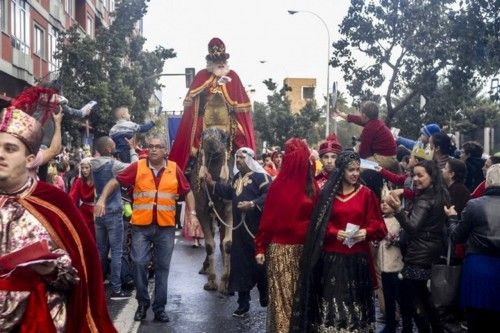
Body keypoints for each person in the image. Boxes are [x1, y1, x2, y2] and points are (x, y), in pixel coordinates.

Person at [0, 106, 116, 332]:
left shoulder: (53, 203)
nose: (0, 154)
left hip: (39, 322)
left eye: (10, 148)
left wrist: (49, 269)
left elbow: (80, 275)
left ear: (30, 159)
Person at [95, 136, 199, 323]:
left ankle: (159, 308)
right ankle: (143, 303)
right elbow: (114, 182)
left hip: (165, 227)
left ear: (165, 151)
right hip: (141, 227)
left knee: (162, 268)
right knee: (139, 263)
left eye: (158, 147)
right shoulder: (138, 167)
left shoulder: (174, 169)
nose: (153, 150)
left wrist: (192, 214)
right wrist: (102, 199)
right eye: (150, 146)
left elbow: (188, 191)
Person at [290, 151, 387, 332]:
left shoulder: (366, 194)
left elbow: (380, 227)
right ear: (341, 171)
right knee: (332, 306)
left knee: (354, 306)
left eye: (358, 170)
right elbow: (317, 225)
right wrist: (335, 232)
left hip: (357, 260)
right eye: (351, 170)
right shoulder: (327, 195)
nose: (355, 174)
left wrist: (365, 232)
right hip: (330, 260)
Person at [254, 138, 319, 332]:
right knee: (289, 301)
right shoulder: (310, 186)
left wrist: (260, 247)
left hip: (293, 251)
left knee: (286, 301)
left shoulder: (283, 186)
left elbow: (266, 222)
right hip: (293, 250)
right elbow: (268, 221)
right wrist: (260, 247)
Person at [169, 37, 256, 172]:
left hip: (227, 117)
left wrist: (233, 104)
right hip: (205, 116)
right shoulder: (201, 76)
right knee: (195, 131)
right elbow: (191, 100)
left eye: (223, 60)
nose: (221, 63)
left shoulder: (233, 76)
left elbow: (242, 104)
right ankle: (191, 163)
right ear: (210, 62)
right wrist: (193, 99)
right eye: (217, 61)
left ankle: (243, 163)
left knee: (240, 134)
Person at [204, 147, 271, 317]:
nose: (238, 160)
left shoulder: (262, 177)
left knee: (260, 265)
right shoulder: (236, 178)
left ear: (250, 159)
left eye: (241, 157)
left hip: (257, 231)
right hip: (239, 232)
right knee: (240, 266)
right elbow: (228, 193)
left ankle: (265, 295)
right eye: (237, 158)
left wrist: (252, 204)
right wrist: (212, 183)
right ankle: (243, 304)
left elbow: (269, 196)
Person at [385, 160, 448, 333]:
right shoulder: (440, 193)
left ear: (432, 177)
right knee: (422, 297)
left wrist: (398, 210)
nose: (415, 179)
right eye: (414, 175)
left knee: (410, 300)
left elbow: (412, 228)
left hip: (419, 254)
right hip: (430, 250)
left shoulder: (425, 200)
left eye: (420, 175)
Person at [444, 164, 500, 332]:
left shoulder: (475, 205)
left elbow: (456, 237)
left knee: (476, 320)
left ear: (487, 182)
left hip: (477, 268)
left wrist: (452, 218)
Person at [90, 136, 138, 300]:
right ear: (109, 149)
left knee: (101, 250)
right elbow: (135, 166)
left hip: (98, 211)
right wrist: (132, 150)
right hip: (113, 211)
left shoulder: (92, 163)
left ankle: (100, 282)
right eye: (114, 145)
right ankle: (116, 290)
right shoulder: (113, 165)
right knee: (117, 251)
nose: (116, 146)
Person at [336, 101, 398, 172]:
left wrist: (351, 158)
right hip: (387, 155)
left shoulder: (370, 128)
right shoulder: (375, 122)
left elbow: (363, 153)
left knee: (353, 168)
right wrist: (341, 115)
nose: (360, 115)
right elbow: (358, 119)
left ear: (364, 116)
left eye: (361, 113)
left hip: (385, 158)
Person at [375, 197, 404, 333]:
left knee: (400, 296)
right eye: (382, 202)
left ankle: (407, 323)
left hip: (397, 265)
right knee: (388, 297)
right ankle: (390, 324)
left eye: (388, 203)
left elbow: (404, 239)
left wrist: (395, 240)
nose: (384, 205)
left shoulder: (400, 220)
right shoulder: (379, 219)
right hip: (383, 264)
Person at [69, 158, 96, 239]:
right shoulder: (79, 181)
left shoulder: (97, 180)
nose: (84, 170)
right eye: (83, 168)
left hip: (96, 212)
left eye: (87, 168)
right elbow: (72, 196)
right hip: (84, 211)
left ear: (91, 168)